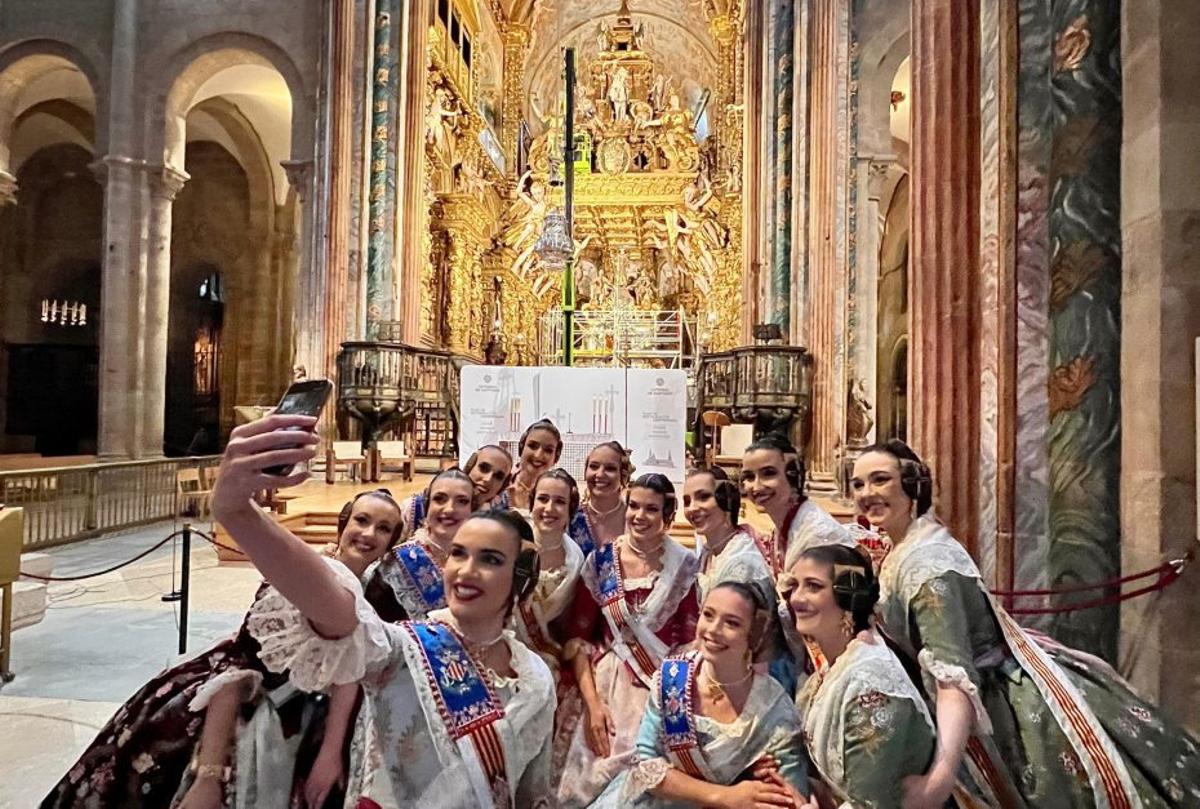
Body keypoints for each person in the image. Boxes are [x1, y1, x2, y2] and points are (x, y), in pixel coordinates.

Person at [210, 414, 557, 808]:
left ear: (519, 578)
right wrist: (239, 515)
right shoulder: (404, 648)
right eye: (458, 553)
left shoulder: (535, 679)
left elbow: (531, 792)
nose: (465, 569)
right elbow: (340, 611)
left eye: (491, 559)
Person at [854, 439, 1200, 809]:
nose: (866, 493)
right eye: (858, 484)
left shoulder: (929, 569)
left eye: (880, 480)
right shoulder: (909, 543)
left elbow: (953, 678)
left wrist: (940, 777)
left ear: (913, 487)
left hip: (1000, 707)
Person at [42, 488, 404, 809]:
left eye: (384, 528)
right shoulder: (290, 583)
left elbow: (349, 673)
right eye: (361, 520)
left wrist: (329, 753)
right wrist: (209, 775)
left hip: (308, 729)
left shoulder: (375, 595)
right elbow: (237, 670)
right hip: (234, 717)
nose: (369, 533)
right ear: (343, 524)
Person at [589, 581, 809, 808]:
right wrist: (724, 795)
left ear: (753, 635)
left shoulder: (772, 708)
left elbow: (787, 793)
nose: (713, 629)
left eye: (732, 623)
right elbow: (645, 766)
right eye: (708, 615)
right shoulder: (673, 677)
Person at [557, 474, 701, 808]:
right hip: (606, 683)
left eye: (651, 509)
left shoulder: (685, 566)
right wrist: (593, 706)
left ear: (667, 514)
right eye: (634, 506)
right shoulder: (602, 562)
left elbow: (691, 640)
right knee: (587, 773)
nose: (639, 516)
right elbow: (579, 638)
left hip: (662, 683)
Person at [789, 543, 968, 809]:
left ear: (847, 598)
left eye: (813, 586)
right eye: (795, 585)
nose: (796, 598)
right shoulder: (835, 667)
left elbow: (871, 803)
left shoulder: (871, 689)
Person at [366, 468, 474, 622]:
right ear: (427, 506)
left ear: (472, 510)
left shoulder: (481, 562)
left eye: (462, 501)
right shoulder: (397, 565)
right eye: (440, 499)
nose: (450, 509)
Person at [740, 433, 854, 578]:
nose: (756, 487)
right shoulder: (786, 523)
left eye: (768, 473)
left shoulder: (818, 536)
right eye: (749, 477)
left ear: (793, 477)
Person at [517, 468, 585, 677]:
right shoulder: (512, 538)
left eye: (560, 502)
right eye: (543, 499)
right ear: (532, 503)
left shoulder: (575, 561)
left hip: (545, 653)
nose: (549, 508)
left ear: (570, 509)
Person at [684, 467, 771, 601]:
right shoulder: (709, 552)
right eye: (687, 501)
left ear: (725, 501)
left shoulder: (742, 562)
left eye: (703, 497)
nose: (692, 508)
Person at [395, 445, 512, 542]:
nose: (488, 479)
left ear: (502, 487)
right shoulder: (414, 509)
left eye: (498, 477)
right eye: (483, 468)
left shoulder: (494, 526)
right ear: (470, 466)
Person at [569, 441, 633, 558]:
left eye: (610, 468)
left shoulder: (634, 519)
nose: (600, 474)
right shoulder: (571, 518)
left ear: (622, 475)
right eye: (594, 466)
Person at [508, 420, 564, 512]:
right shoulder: (501, 484)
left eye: (548, 450)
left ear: (556, 457)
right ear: (521, 447)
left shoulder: (561, 495)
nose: (538, 455)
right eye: (532, 446)